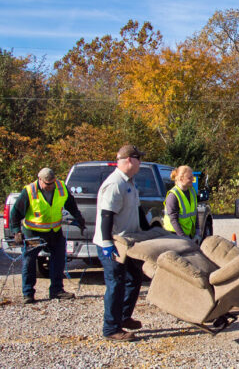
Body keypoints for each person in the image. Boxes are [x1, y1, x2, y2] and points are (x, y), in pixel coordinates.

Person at [93, 144, 150, 342]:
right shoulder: (115, 183)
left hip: (128, 243)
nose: (140, 162)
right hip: (114, 243)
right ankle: (111, 329)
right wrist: (107, 243)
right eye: (138, 159)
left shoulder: (130, 182)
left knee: (134, 279)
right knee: (115, 284)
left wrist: (149, 229)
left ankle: (123, 316)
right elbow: (106, 215)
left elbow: (138, 211)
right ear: (129, 160)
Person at [10, 167, 86, 304]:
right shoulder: (29, 191)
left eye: (52, 183)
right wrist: (16, 231)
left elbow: (71, 205)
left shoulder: (61, 187)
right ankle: (28, 293)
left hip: (54, 232)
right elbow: (15, 212)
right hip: (33, 233)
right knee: (29, 263)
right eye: (47, 184)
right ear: (40, 180)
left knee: (58, 261)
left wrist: (79, 218)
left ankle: (57, 291)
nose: (50, 186)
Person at [163, 165, 201, 243]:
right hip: (173, 236)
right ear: (181, 179)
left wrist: (197, 231)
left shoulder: (192, 192)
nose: (192, 179)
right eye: (189, 178)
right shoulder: (173, 195)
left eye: (192, 177)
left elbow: (194, 212)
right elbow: (173, 219)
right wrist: (183, 237)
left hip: (187, 235)